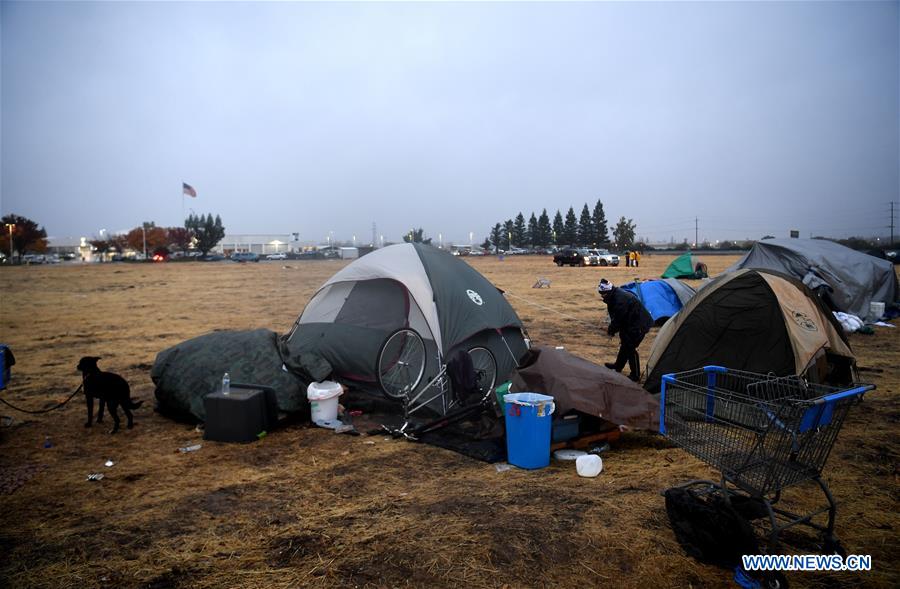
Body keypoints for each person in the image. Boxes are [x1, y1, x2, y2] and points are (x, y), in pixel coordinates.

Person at [598, 278, 653, 382]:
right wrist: (612, 328)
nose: (602, 296)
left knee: (630, 348)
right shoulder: (614, 295)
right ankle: (618, 366)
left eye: (603, 293)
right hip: (629, 323)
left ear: (608, 291)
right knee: (625, 344)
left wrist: (611, 331)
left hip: (639, 325)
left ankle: (635, 375)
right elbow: (617, 318)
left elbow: (618, 318)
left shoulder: (620, 300)